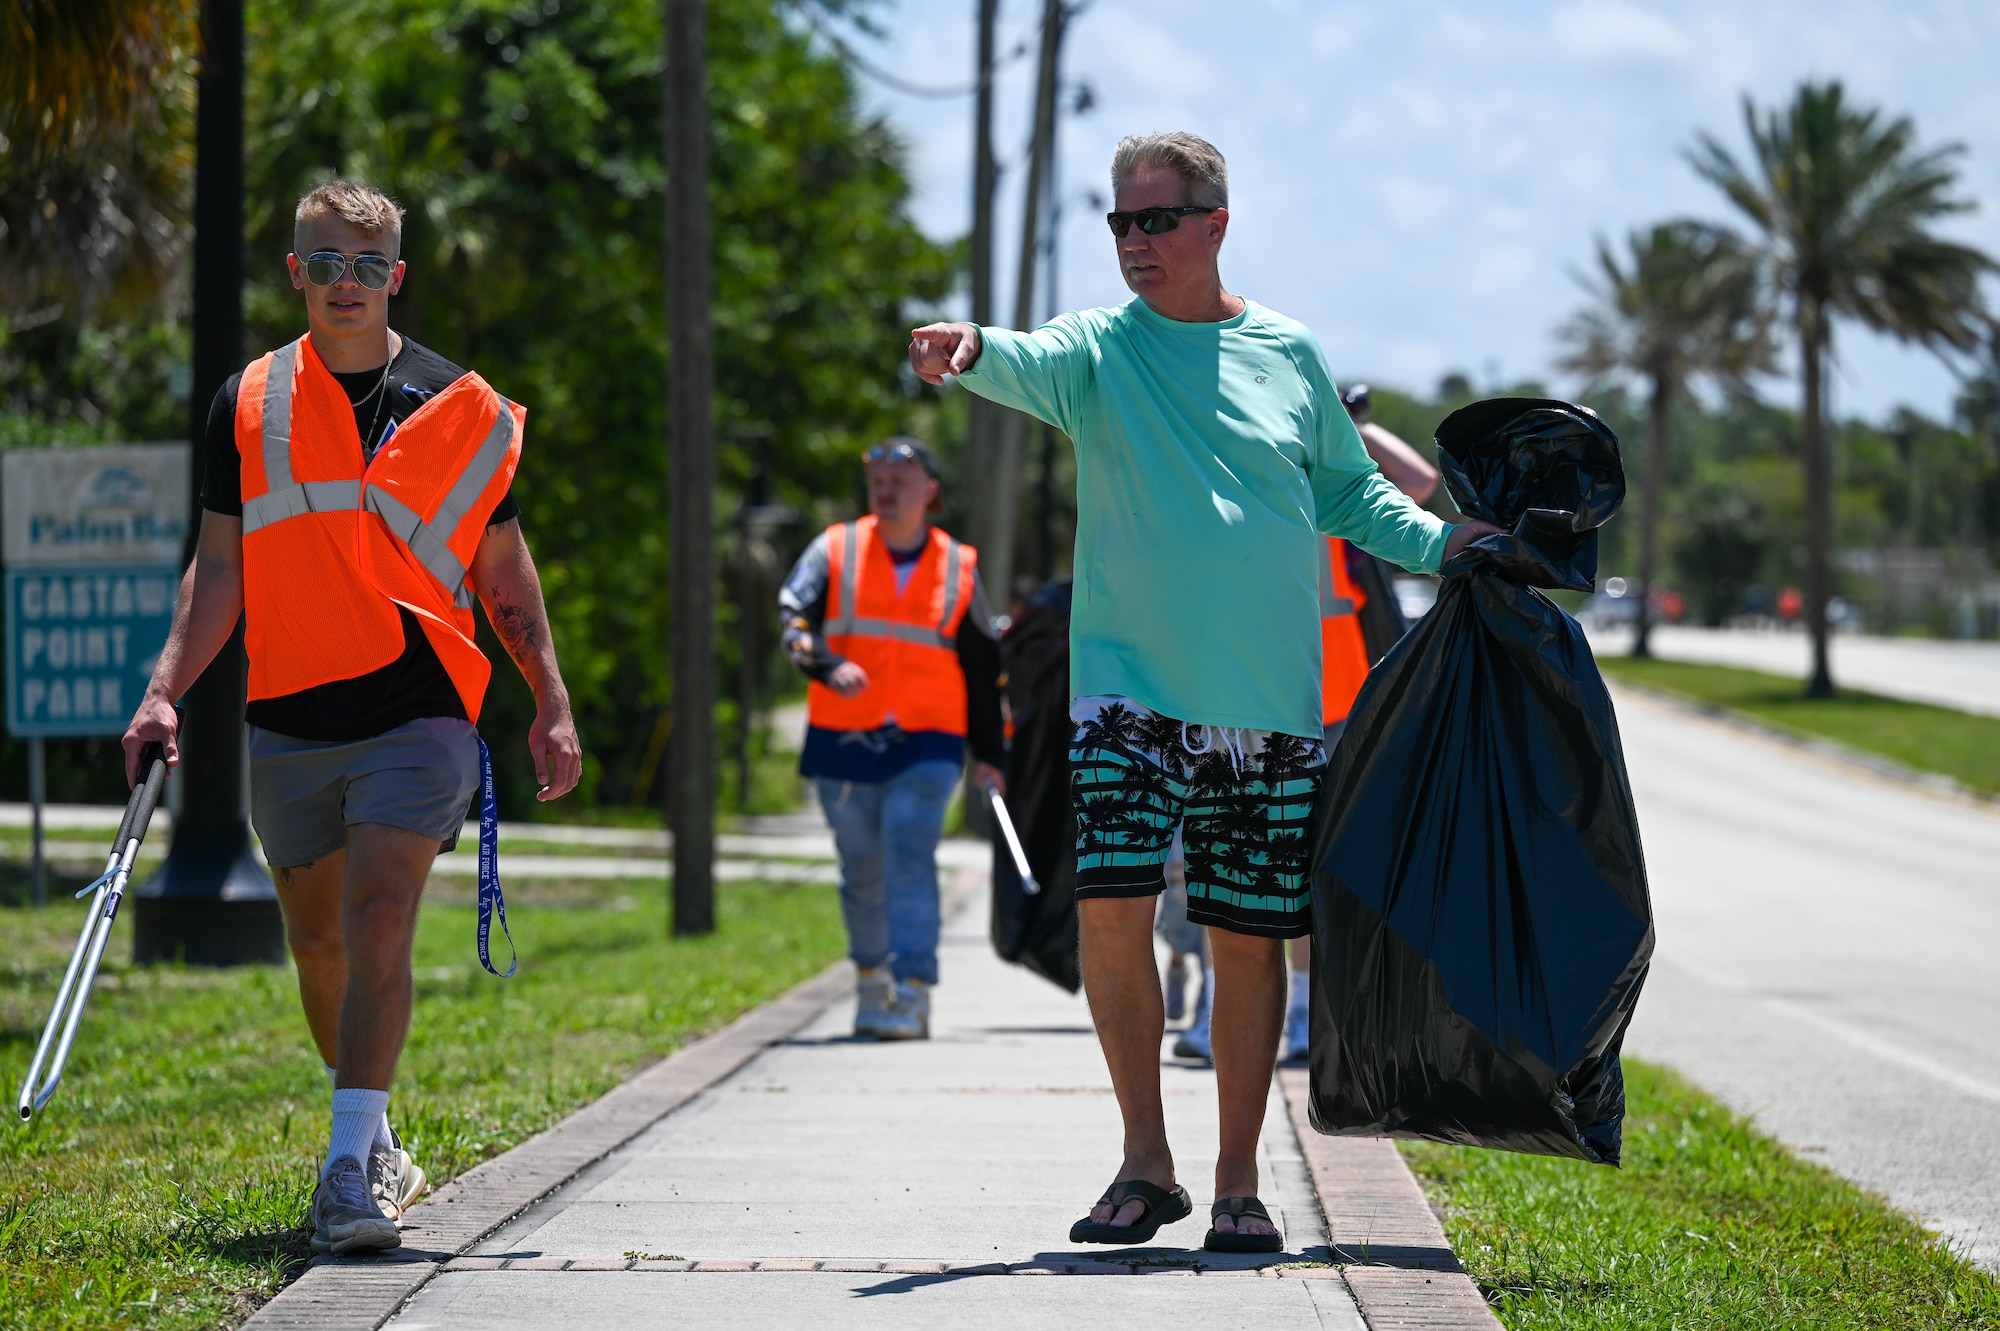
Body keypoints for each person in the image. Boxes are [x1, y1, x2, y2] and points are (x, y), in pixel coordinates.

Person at [909, 132, 1500, 1253]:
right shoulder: (1097, 349)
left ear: (1213, 223)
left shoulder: (1287, 352)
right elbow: (1019, 354)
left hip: (1264, 704)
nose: (1134, 242)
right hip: (1123, 696)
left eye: (1155, 220)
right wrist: (967, 345)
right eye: (1120, 223)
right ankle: (1144, 1163)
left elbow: (1349, 495)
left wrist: (1441, 542)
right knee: (1113, 912)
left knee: (1244, 939)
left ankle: (1236, 1182)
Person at [123, 181, 582, 1259]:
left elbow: (500, 566)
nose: (345, 282)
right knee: (319, 943)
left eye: (366, 264)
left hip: (419, 710)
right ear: (296, 273)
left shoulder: (456, 403)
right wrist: (163, 687)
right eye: (324, 262)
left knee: (381, 915)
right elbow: (220, 569)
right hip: (286, 713)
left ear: (396, 277)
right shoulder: (246, 400)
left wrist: (549, 698)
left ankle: (343, 1175)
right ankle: (373, 1131)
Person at [778, 437, 1006, 1040]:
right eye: (877, 476)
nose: (885, 486)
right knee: (862, 867)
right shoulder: (835, 549)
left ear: (930, 489)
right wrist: (826, 665)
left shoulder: (957, 564)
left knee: (909, 852)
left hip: (929, 739)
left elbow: (983, 666)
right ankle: (872, 979)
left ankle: (913, 992)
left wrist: (992, 756)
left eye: (900, 476)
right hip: (842, 736)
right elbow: (792, 618)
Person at [1282, 383, 1442, 1061]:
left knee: (1324, 866)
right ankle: (1244, 1002)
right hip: (1267, 701)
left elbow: (1420, 481)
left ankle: (1307, 1009)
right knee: (1262, 865)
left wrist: (1352, 427)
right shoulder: (1268, 482)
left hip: (1342, 707)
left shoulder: (1346, 501)